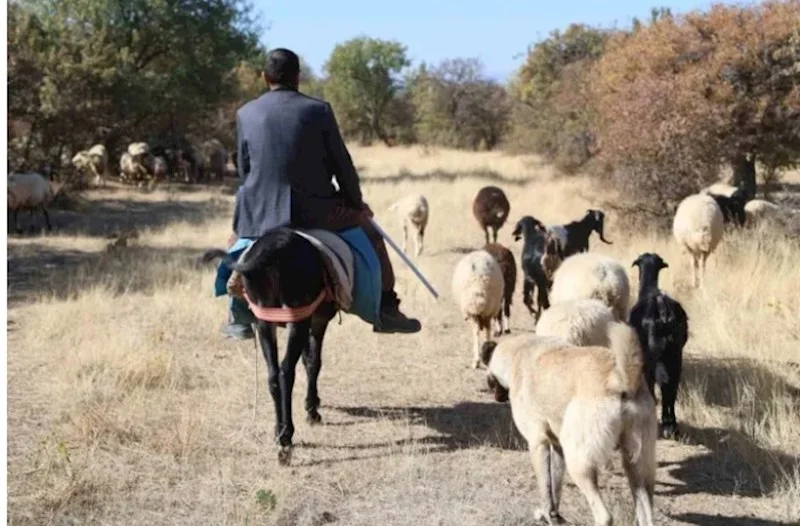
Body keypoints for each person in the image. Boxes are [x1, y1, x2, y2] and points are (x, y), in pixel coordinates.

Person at [221, 48, 422, 339]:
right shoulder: (318, 110)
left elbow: (243, 166)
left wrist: (254, 202)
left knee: (236, 245)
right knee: (373, 237)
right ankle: (386, 308)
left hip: (259, 213)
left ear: (265, 77)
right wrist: (356, 205)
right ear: (298, 78)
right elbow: (343, 164)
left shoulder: (245, 113)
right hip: (317, 212)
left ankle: (237, 314)